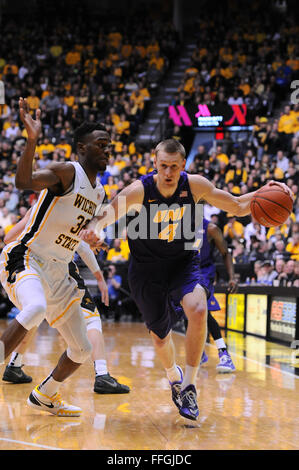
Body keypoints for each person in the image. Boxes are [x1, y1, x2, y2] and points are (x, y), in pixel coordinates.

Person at [80, 138, 291, 421]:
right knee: (160, 339)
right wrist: (94, 228)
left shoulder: (195, 185)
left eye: (174, 167)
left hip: (183, 263)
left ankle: (189, 386)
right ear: (154, 163)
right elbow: (106, 214)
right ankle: (174, 376)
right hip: (146, 270)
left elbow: (240, 205)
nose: (168, 173)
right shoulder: (139, 190)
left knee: (199, 308)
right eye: (163, 166)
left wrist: (273, 190)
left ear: (183, 165)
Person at [0, 98, 111, 417]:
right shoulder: (67, 172)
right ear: (82, 148)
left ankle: (46, 394)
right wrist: (31, 141)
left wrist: (95, 236)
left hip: (59, 272)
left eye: (108, 145)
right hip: (27, 257)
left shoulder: (99, 192)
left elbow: (85, 230)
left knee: (82, 348)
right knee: (34, 308)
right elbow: (24, 182)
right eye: (99, 144)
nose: (105, 149)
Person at [2, 210, 130, 394]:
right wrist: (99, 277)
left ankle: (15, 364)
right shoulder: (69, 202)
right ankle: (102, 374)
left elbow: (9, 237)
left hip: (27, 263)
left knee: (34, 313)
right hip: (52, 266)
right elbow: (82, 246)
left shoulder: (42, 204)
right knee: (91, 318)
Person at [196, 218, 237, 373]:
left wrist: (232, 277)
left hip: (204, 273)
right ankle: (199, 352)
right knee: (188, 311)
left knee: (199, 307)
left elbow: (225, 252)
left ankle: (224, 354)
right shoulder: (177, 227)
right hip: (187, 272)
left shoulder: (211, 229)